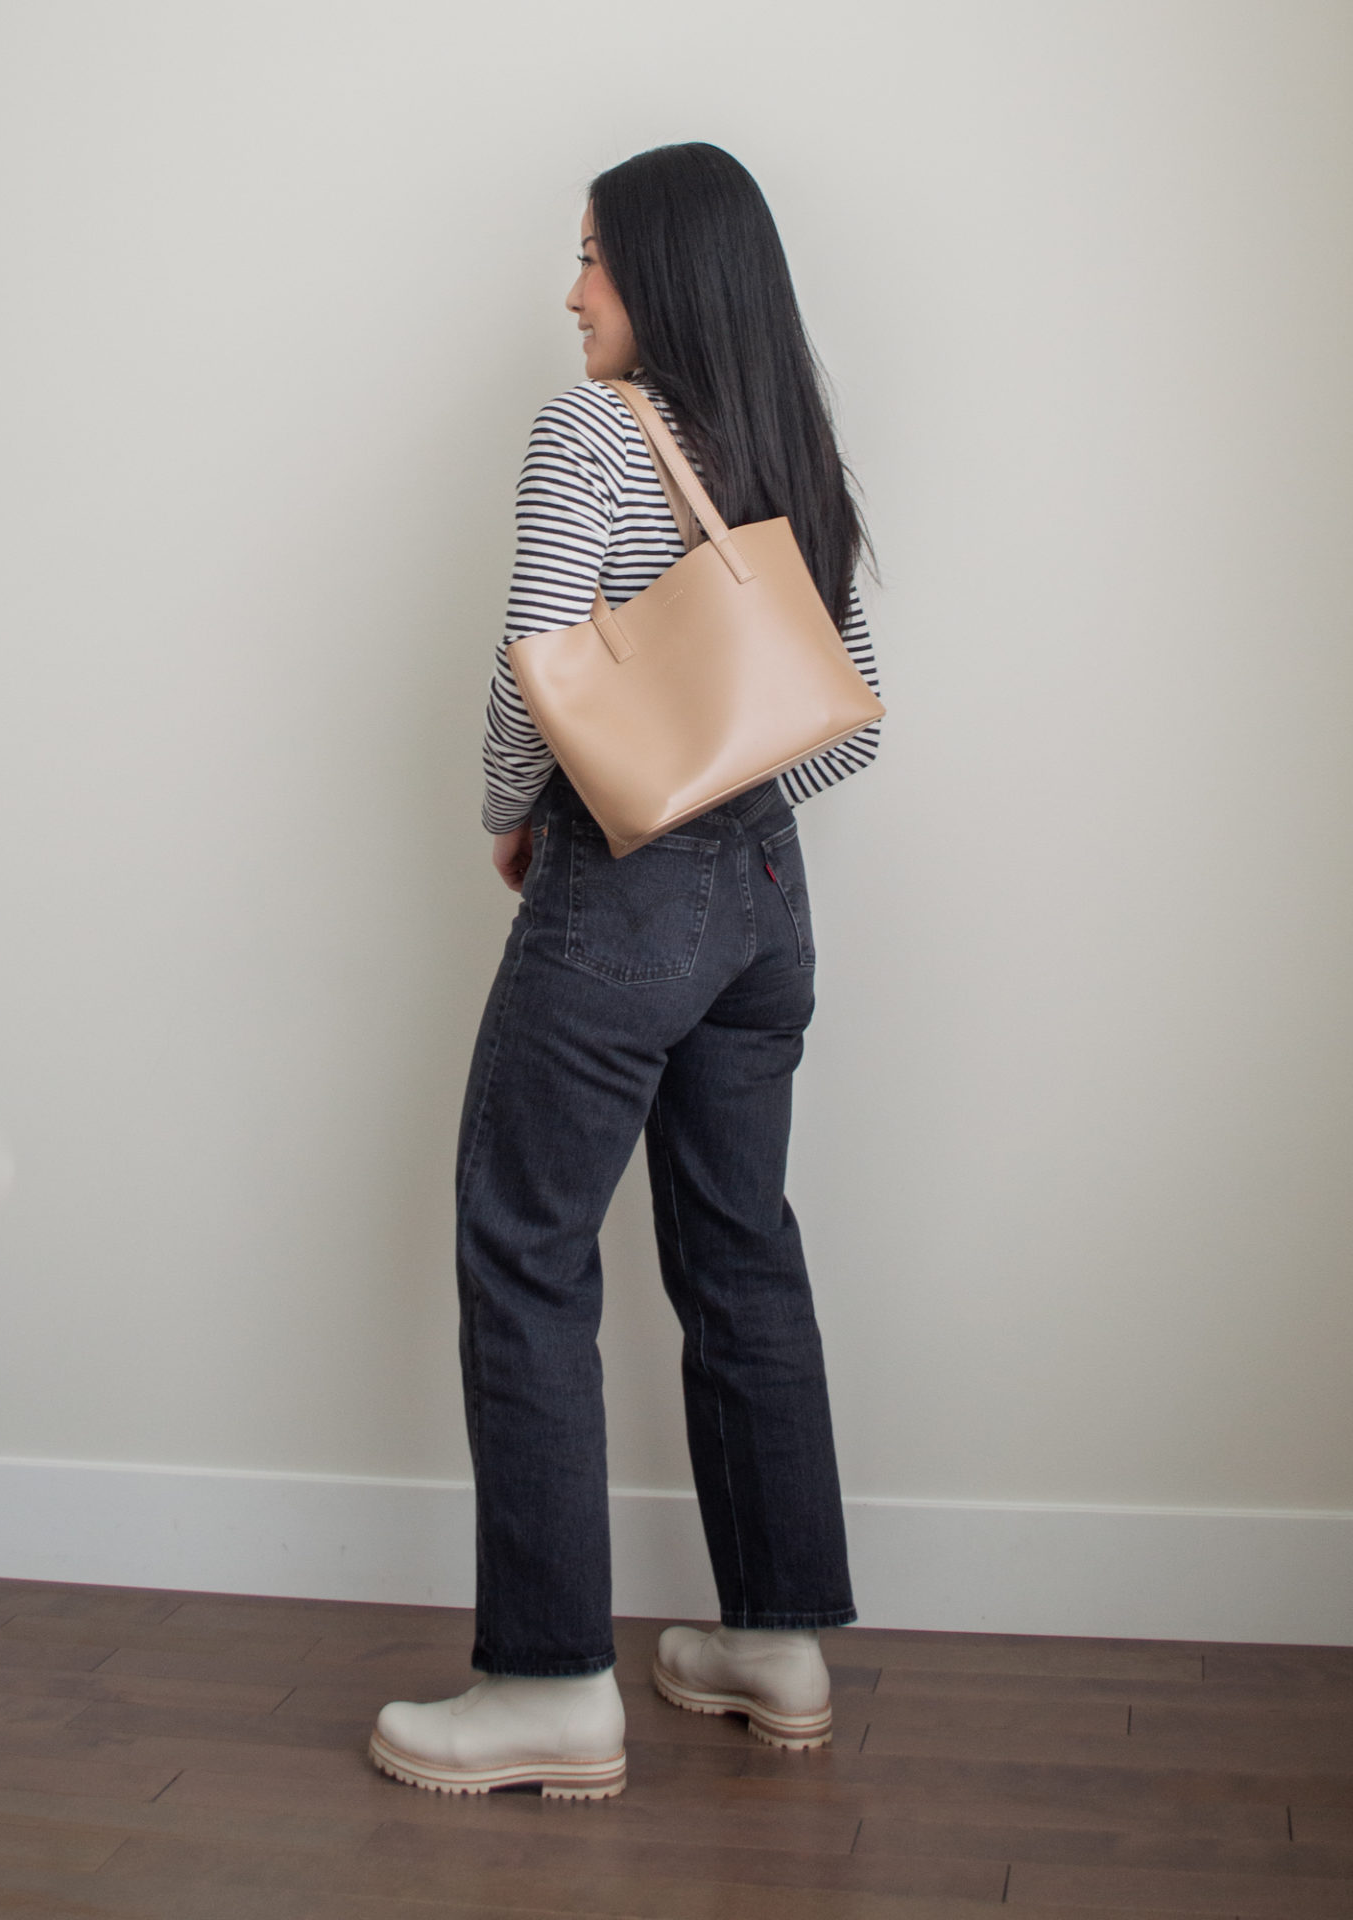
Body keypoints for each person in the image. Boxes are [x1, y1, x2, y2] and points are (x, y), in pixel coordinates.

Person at [369, 142, 882, 1800]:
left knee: (523, 1252)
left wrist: (521, 823)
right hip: (766, 900)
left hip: (625, 894)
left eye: (591, 255)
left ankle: (546, 1685)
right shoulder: (789, 437)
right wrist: (730, 827)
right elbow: (844, 699)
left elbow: (534, 672)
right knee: (741, 1252)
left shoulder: (594, 426)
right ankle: (772, 1641)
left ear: (656, 273)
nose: (569, 287)